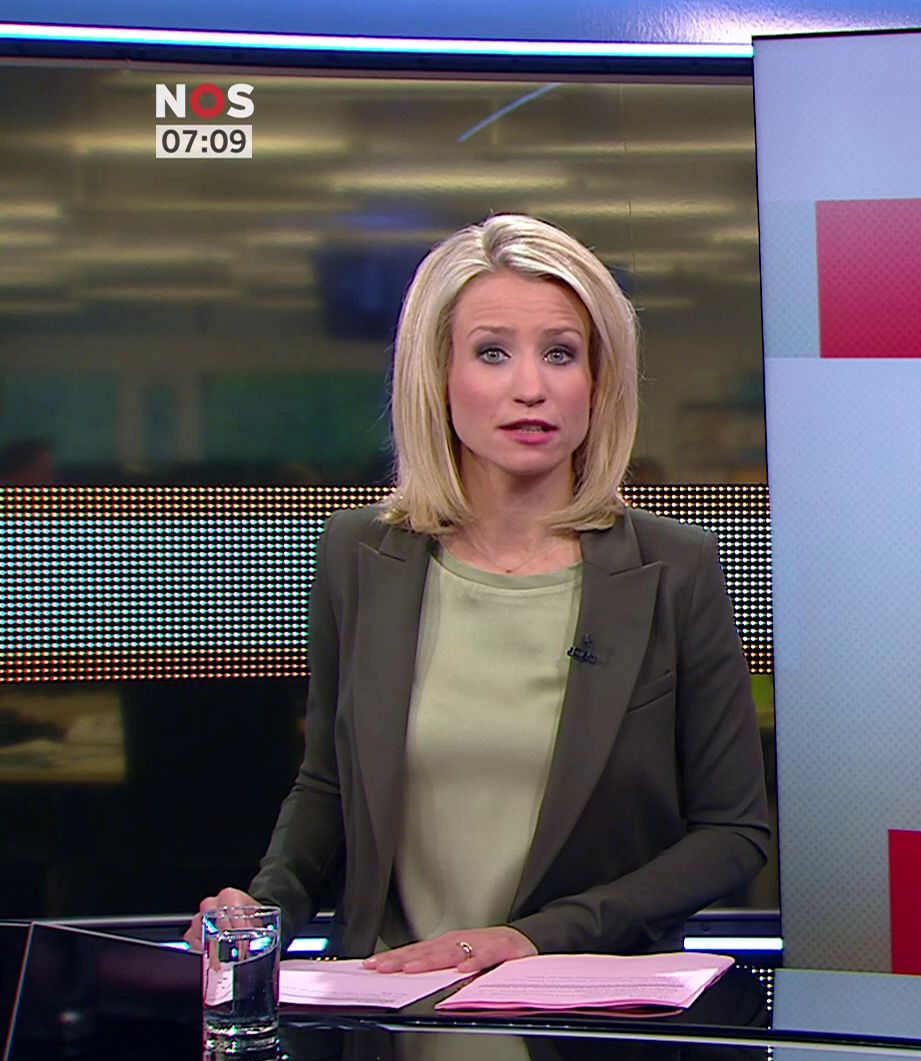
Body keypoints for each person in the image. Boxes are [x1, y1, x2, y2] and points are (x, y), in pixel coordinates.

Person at [187, 214, 769, 975]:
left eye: (560, 353)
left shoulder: (675, 568)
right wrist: (265, 909)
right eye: (493, 353)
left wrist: (536, 937)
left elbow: (732, 834)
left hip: (585, 1008)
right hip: (388, 1003)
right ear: (438, 375)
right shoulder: (360, 556)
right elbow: (329, 785)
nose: (530, 388)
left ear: (598, 380)